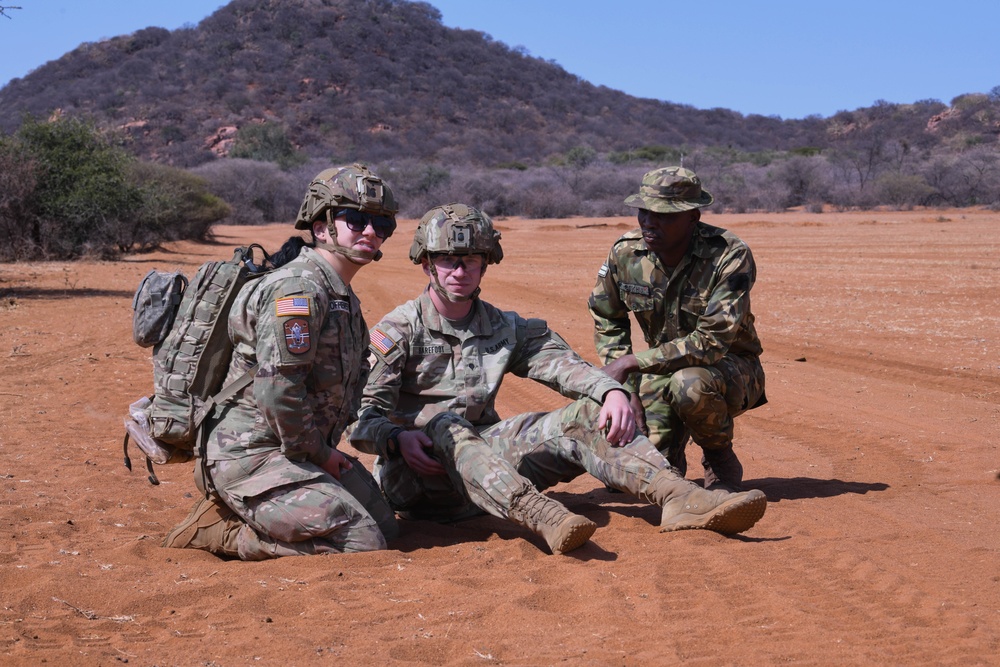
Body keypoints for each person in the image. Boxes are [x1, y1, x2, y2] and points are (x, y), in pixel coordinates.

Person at [349, 203, 767, 556]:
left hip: (490, 470)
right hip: (419, 483)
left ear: (485, 265)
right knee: (445, 424)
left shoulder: (505, 327)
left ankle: (678, 497)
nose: (460, 271)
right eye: (448, 261)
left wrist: (612, 391)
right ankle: (538, 514)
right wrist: (395, 438)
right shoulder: (399, 329)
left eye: (471, 261)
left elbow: (564, 366)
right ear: (427, 265)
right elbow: (360, 417)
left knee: (587, 412)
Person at [163, 164, 400, 559]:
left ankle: (272, 505)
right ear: (321, 227)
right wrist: (322, 455)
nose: (370, 232)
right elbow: (279, 390)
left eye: (381, 225)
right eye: (356, 220)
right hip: (251, 453)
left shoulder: (339, 294)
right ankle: (219, 532)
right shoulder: (298, 290)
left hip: (295, 450)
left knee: (387, 527)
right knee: (362, 541)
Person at [589, 167, 767, 491]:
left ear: (693, 216)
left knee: (689, 384)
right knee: (636, 475)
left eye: (663, 215)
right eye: (644, 211)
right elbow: (607, 316)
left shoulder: (729, 255)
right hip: (659, 370)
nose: (649, 222)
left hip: (728, 370)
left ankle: (718, 456)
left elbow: (712, 341)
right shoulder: (626, 253)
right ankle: (664, 456)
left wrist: (631, 364)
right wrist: (626, 389)